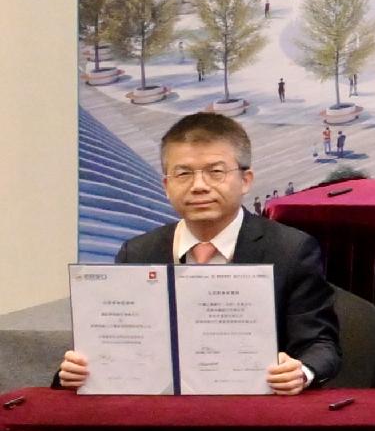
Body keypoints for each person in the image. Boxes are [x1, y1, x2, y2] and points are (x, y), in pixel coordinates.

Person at [56, 111, 339, 393]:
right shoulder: (139, 252)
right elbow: (115, 345)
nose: (199, 186)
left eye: (216, 172)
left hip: (256, 411)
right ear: (166, 186)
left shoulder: (290, 249)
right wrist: (78, 371)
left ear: (246, 180)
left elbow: (320, 345)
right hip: (161, 415)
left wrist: (300, 371)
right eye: (183, 174)